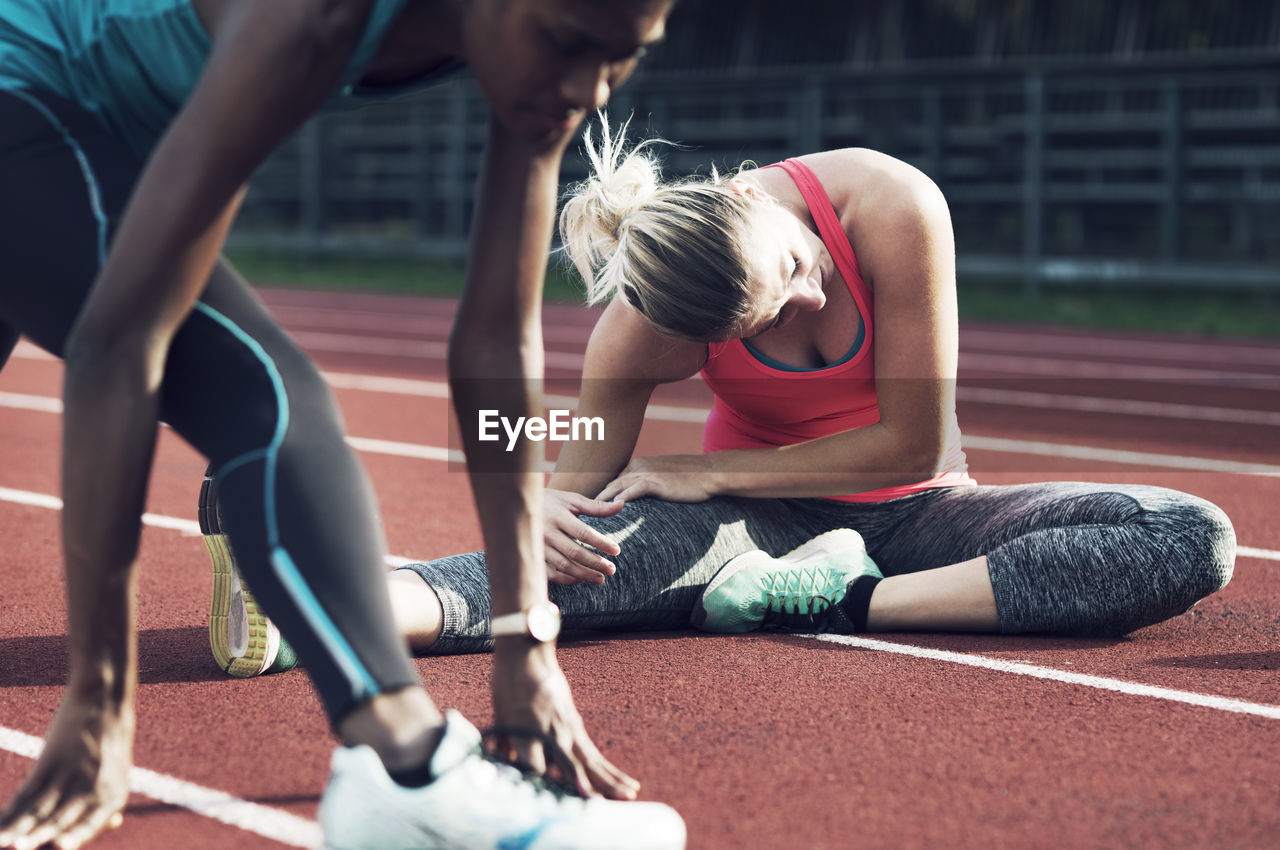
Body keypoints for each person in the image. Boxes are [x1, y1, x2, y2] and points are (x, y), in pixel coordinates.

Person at [0, 3, 687, 850]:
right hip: (26, 93)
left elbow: (496, 344)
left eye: (624, 59)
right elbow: (116, 347)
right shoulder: (308, 19)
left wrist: (525, 639)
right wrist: (100, 695)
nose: (589, 87)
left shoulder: (544, 74)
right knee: (267, 397)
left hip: (98, 133)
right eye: (569, 44)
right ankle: (407, 770)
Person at [373, 115, 1237, 654]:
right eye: (770, 319)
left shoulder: (895, 205)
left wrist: (704, 471)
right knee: (555, 572)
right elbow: (583, 455)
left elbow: (910, 441)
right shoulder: (645, 327)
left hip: (922, 508)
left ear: (747, 195)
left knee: (1186, 535)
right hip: (751, 536)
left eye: (792, 265)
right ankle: (298, 618)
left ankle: (836, 602)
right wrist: (540, 503)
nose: (812, 294)